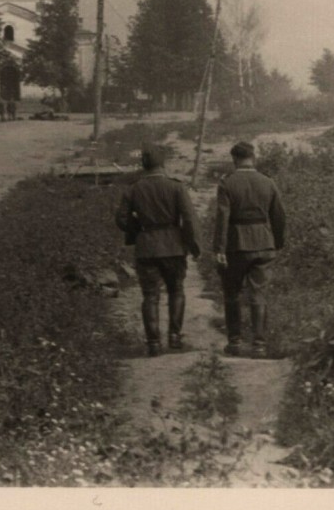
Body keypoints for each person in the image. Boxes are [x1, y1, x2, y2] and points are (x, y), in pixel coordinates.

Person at [115, 144, 201, 356]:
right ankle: (174, 337)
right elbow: (189, 219)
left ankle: (153, 343)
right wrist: (193, 245)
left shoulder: (133, 189)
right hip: (173, 246)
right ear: (164, 164)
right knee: (176, 290)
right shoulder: (176, 187)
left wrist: (140, 231)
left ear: (143, 165)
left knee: (150, 296)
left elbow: (122, 219)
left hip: (147, 248)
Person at [213, 141, 286, 358]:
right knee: (259, 294)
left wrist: (219, 248)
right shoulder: (268, 182)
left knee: (232, 294)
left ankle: (235, 342)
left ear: (234, 159)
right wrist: (277, 242)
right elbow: (279, 217)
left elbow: (222, 218)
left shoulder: (227, 183)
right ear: (253, 158)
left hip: (236, 245)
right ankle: (259, 345)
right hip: (264, 244)